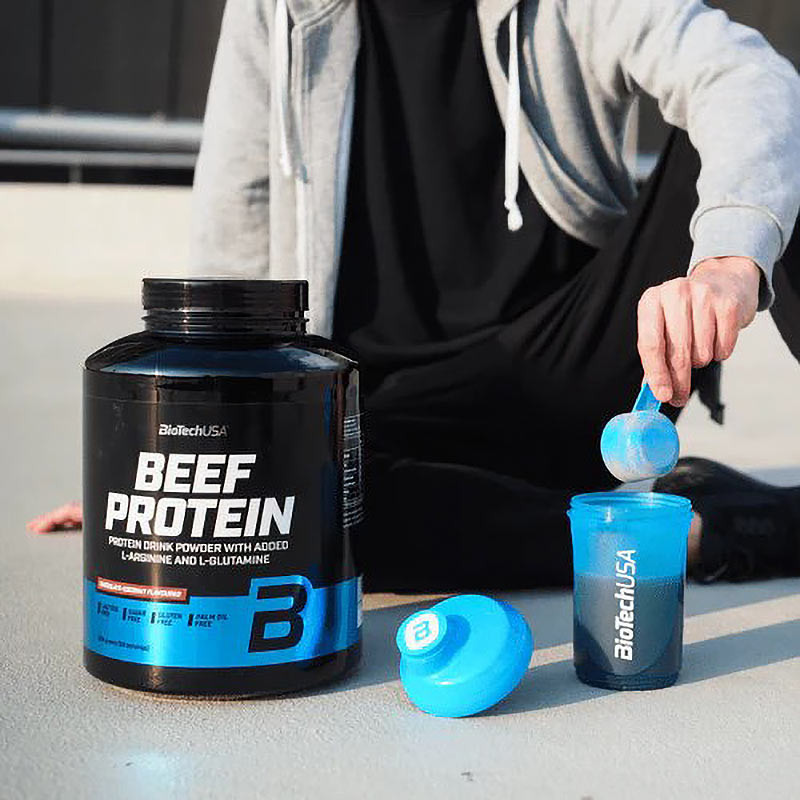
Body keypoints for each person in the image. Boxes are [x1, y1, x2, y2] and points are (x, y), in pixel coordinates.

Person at [31, 0, 800, 591]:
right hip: (381, 410)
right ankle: (688, 533)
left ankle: (594, 529)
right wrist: (183, 462)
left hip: (585, 368)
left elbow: (743, 74)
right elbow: (236, 225)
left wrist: (727, 261)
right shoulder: (279, 10)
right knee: (313, 514)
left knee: (777, 128)